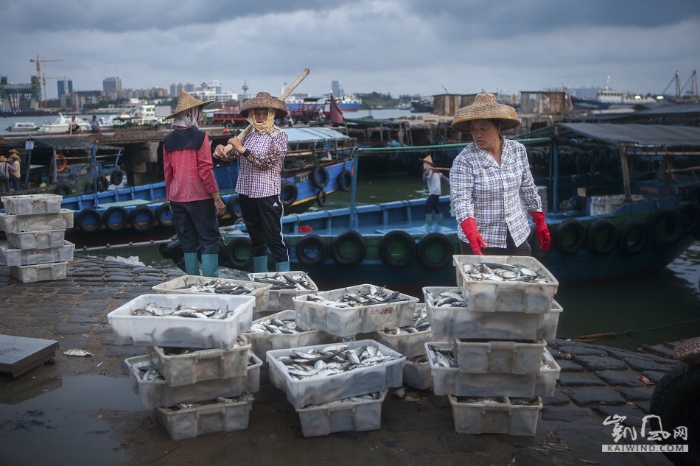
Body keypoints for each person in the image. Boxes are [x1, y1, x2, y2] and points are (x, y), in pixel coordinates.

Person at [449, 93, 550, 256]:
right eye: (473, 129)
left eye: (483, 128)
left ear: (498, 127)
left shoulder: (517, 150)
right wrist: (471, 232)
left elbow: (527, 188)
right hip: (480, 238)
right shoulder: (464, 160)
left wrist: (539, 220)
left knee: (521, 279)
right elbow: (462, 201)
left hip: (516, 234)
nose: (477, 135)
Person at [213, 91, 290, 273]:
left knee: (274, 238)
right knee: (255, 237)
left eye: (264, 113)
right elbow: (230, 154)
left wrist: (243, 150)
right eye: (257, 113)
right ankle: (261, 276)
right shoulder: (247, 134)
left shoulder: (279, 136)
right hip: (247, 191)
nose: (261, 117)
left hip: (267, 193)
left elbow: (267, 163)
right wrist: (220, 149)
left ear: (271, 114)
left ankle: (286, 277)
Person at [162, 89, 224, 277]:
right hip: (200, 197)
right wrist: (217, 197)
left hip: (178, 197)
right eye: (198, 111)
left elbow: (167, 172)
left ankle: (192, 281)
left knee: (187, 240)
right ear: (192, 113)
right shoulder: (200, 137)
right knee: (209, 239)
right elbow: (205, 170)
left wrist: (170, 199)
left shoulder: (167, 140)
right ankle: (210, 282)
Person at [420, 154, 449, 231]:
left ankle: (428, 223)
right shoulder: (436, 171)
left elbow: (424, 178)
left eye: (424, 163)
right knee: (435, 207)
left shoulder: (431, 171)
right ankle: (440, 223)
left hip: (434, 192)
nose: (424, 165)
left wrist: (426, 171)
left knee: (427, 205)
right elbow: (445, 179)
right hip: (437, 192)